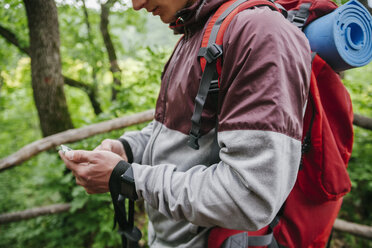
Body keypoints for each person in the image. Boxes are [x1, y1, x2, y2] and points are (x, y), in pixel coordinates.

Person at [59, 0, 311, 247]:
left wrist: (129, 178)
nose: (136, 4)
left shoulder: (259, 32)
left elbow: (250, 197)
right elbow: (183, 132)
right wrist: (128, 149)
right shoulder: (196, 32)